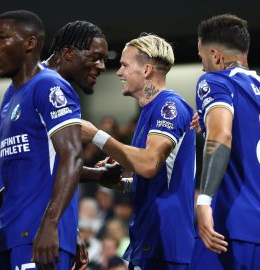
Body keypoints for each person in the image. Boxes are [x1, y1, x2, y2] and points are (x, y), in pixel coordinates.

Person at [0, 11, 120, 270]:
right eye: (96, 58)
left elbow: (66, 160)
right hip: (9, 232)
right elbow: (32, 175)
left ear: (29, 43)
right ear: (70, 53)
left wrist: (58, 225)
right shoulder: (17, 94)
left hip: (31, 235)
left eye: (1, 37)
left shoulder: (49, 87)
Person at [191, 14, 260, 269]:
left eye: (201, 57)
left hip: (232, 230)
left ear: (216, 56)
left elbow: (222, 135)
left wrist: (203, 201)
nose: (203, 66)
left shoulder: (216, 81)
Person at [82, 34, 196, 270]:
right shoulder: (148, 112)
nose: (118, 72)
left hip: (166, 242)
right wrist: (120, 183)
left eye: (124, 65)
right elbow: (157, 178)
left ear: (146, 70)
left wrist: (97, 136)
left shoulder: (169, 107)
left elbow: (149, 164)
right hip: (149, 237)